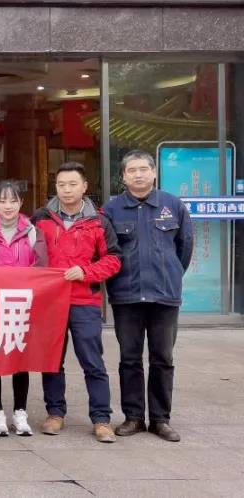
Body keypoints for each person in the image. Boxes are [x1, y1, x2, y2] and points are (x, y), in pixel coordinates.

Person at [104, 150, 193, 442]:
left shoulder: (173, 205)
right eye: (132, 170)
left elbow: (184, 248)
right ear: (123, 176)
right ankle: (133, 417)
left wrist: (169, 275)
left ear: (154, 173)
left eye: (144, 169)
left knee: (162, 358)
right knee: (129, 359)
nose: (138, 174)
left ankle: (160, 419)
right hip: (126, 296)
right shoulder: (112, 209)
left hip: (164, 296)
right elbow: (107, 251)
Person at [32, 162, 122, 443]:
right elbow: (28, 255)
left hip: (85, 300)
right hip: (50, 301)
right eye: (61, 185)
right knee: (51, 361)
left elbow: (114, 259)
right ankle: (55, 413)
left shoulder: (99, 221)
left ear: (84, 187)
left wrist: (86, 272)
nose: (67, 190)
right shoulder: (41, 219)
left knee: (92, 362)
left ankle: (101, 419)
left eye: (73, 184)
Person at [0, 180, 47, 437]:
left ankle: (20, 412)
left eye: (13, 201)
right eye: (2, 201)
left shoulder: (32, 231)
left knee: (20, 358)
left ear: (21, 203)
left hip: (22, 304)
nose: (7, 206)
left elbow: (40, 266)